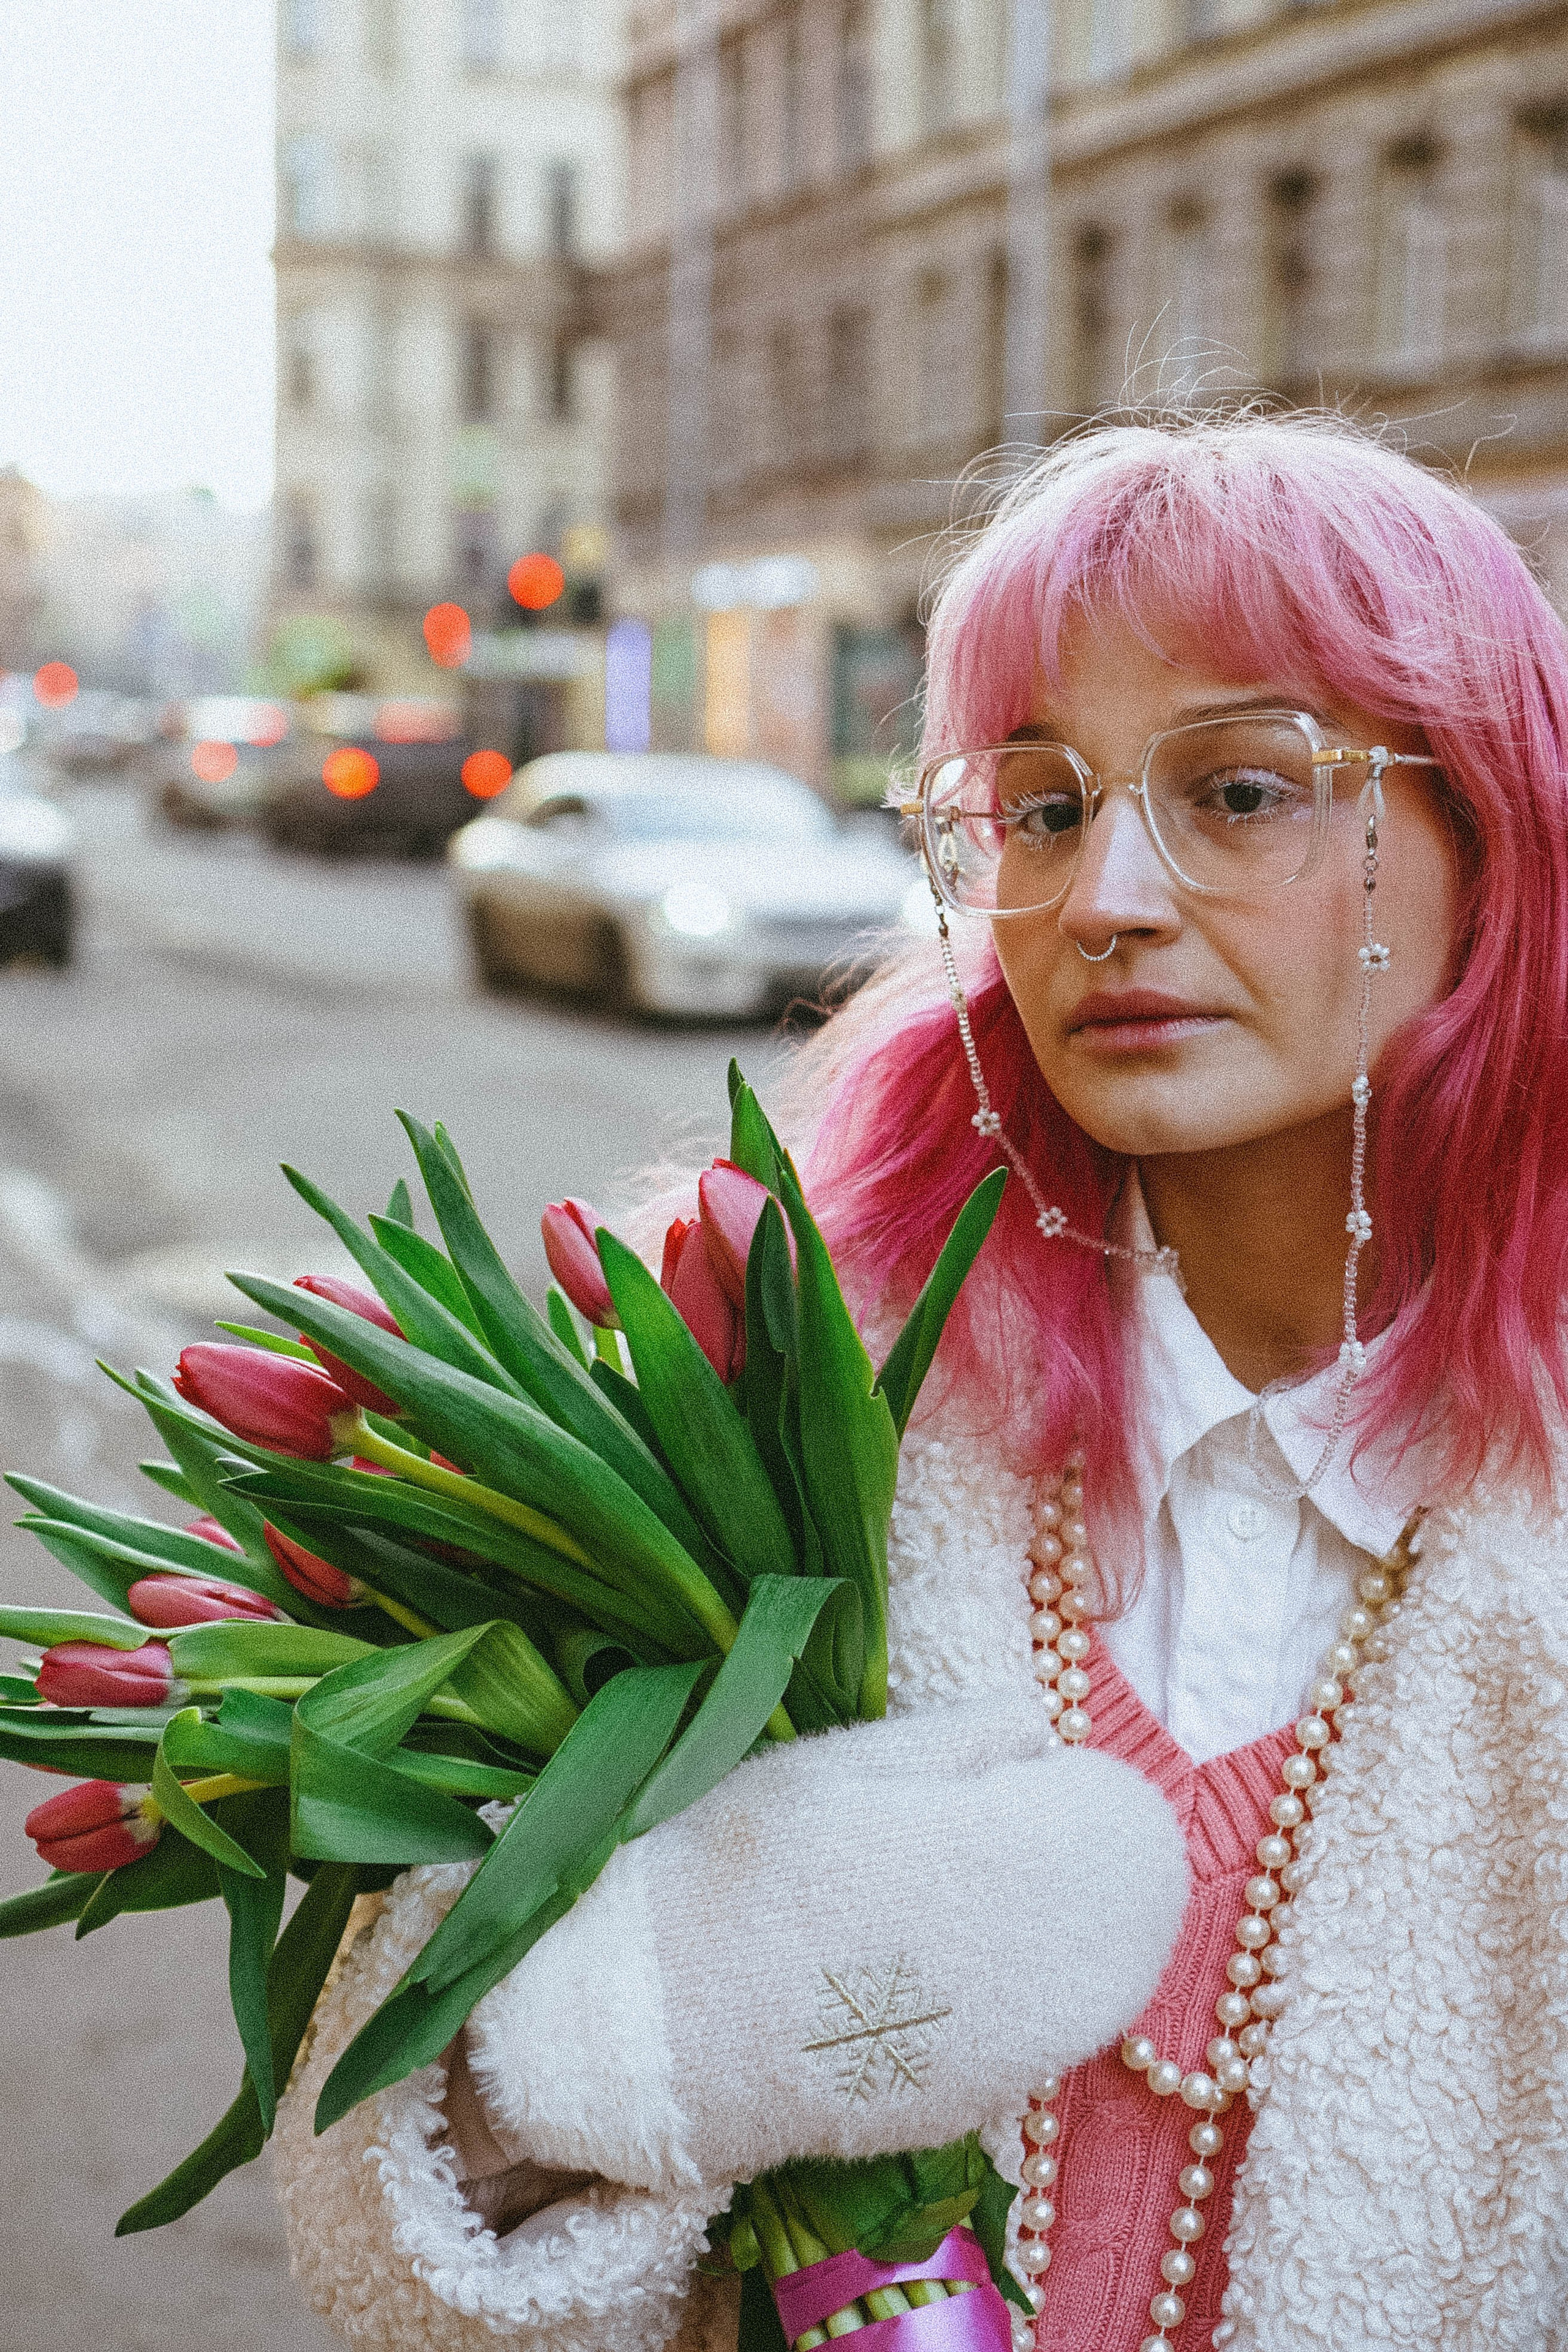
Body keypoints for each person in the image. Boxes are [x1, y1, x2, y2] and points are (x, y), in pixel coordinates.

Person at [273, 410, 1568, 2352]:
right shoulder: (779, 1398)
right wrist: (671, 2022)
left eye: (1240, 791)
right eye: (1039, 808)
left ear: (1493, 836)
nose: (1106, 897)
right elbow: (386, 2232)